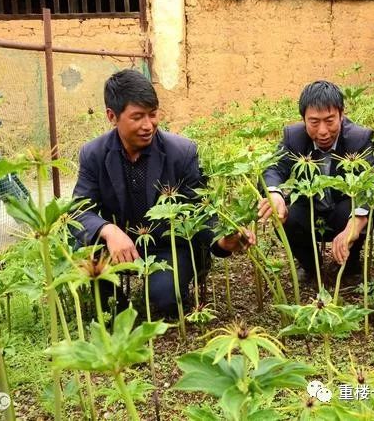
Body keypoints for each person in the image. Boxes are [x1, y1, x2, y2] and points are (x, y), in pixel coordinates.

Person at [73, 69, 253, 317]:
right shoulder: (93, 154)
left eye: (153, 114)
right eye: (137, 117)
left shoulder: (182, 152)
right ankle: (116, 304)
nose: (149, 125)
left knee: (165, 300)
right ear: (112, 116)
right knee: (82, 253)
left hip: (167, 247)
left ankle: (178, 279)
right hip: (117, 245)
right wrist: (109, 230)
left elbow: (199, 211)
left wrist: (222, 242)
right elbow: (79, 210)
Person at [258, 80, 374, 282]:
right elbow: (274, 168)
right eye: (314, 122)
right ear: (303, 119)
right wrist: (275, 193)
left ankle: (350, 265)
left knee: (352, 209)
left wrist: (356, 222)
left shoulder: (360, 138)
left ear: (341, 114)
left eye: (330, 121)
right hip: (310, 209)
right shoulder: (293, 137)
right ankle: (310, 266)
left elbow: (372, 182)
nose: (322, 131)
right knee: (289, 216)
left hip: (343, 210)